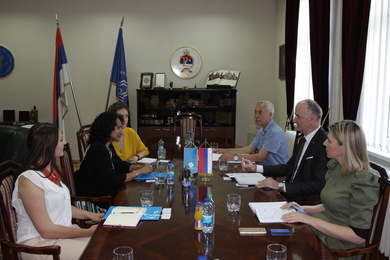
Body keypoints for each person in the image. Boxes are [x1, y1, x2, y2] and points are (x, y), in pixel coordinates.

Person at [280, 120, 379, 259]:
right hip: (319, 233)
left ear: (345, 147)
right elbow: (331, 205)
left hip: (336, 246)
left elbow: (358, 237)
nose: (324, 143)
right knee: (279, 238)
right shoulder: (338, 167)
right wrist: (303, 209)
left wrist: (310, 220)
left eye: (329, 141)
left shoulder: (362, 180)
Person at [11, 123, 104, 260]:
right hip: (39, 245)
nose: (65, 143)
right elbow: (46, 231)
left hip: (58, 237)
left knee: (107, 244)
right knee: (100, 253)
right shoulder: (29, 180)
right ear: (45, 146)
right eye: (61, 140)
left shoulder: (50, 171)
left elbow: (61, 206)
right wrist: (87, 232)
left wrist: (92, 215)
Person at [242, 99, 329, 202]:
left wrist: (281, 186)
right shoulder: (304, 139)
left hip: (305, 202)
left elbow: (318, 184)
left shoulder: (325, 143)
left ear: (312, 119)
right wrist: (256, 168)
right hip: (289, 195)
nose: (294, 120)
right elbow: (287, 168)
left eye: (298, 116)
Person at [75, 112, 152, 210]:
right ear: (108, 128)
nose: (121, 131)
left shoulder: (107, 145)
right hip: (94, 200)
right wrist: (140, 172)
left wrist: (139, 167)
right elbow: (113, 179)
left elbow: (120, 165)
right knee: (135, 204)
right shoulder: (97, 149)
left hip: (105, 194)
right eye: (118, 128)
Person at [214, 101, 289, 165]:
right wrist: (224, 150)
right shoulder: (262, 130)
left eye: (260, 112)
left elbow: (259, 157)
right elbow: (248, 149)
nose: (256, 115)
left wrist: (233, 158)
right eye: (255, 112)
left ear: (270, 115)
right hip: (264, 170)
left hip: (276, 175)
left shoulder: (275, 132)